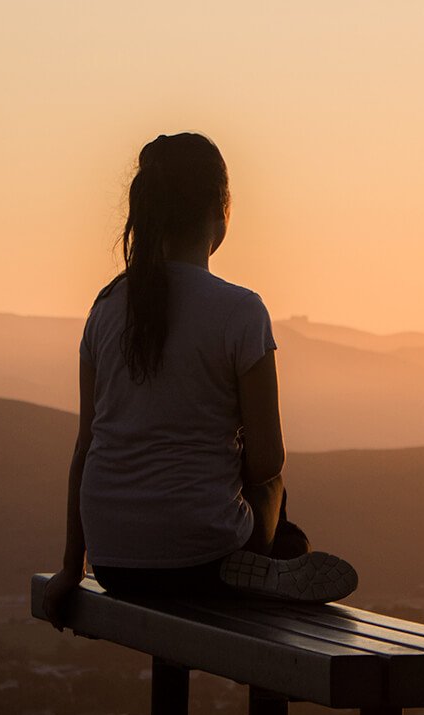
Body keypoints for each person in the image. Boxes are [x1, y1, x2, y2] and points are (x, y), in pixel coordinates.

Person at [41, 133, 357, 627]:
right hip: (204, 560)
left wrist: (69, 567)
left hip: (113, 563)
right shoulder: (240, 312)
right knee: (279, 499)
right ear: (221, 209)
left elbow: (86, 446)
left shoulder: (104, 309)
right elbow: (267, 460)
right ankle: (275, 559)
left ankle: (269, 559)